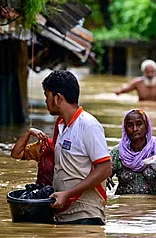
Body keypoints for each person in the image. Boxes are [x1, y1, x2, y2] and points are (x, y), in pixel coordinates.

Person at [41, 70, 112, 225]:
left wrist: (67, 194)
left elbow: (105, 169)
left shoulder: (88, 125)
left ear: (58, 98)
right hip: (63, 214)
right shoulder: (61, 126)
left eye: (47, 96)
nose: (46, 101)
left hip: (86, 215)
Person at [109, 109, 156, 196]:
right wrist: (103, 178)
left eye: (139, 124)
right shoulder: (118, 153)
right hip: (125, 207)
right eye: (130, 125)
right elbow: (104, 176)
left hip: (155, 208)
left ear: (147, 126)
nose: (135, 129)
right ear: (125, 128)